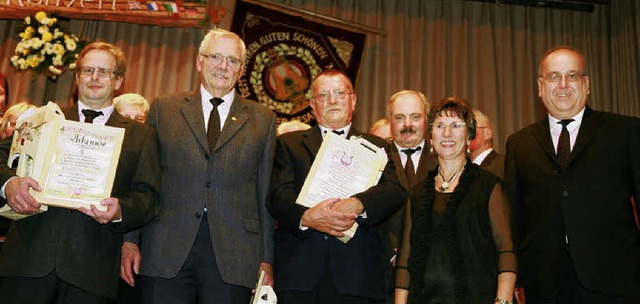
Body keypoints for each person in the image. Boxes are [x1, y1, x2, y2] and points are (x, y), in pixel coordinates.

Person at [120, 28, 277, 304]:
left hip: (234, 253)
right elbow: (144, 181)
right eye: (215, 56)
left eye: (232, 61)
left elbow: (264, 193)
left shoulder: (263, 119)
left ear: (241, 70)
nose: (222, 66)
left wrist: (266, 258)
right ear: (199, 61)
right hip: (166, 246)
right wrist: (130, 240)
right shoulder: (164, 108)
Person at [0, 41, 161, 303]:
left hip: (91, 272)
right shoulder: (44, 119)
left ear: (118, 81)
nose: (95, 78)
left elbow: (149, 196)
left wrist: (120, 210)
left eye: (104, 72)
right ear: (77, 78)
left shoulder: (140, 136)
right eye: (88, 71)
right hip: (28, 263)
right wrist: (10, 184)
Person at [504, 46, 640, 303]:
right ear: (540, 86)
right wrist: (516, 275)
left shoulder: (626, 132)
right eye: (554, 76)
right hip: (544, 285)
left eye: (573, 76)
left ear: (586, 84)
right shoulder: (519, 143)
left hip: (616, 281)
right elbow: (514, 217)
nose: (563, 84)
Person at [268, 69, 407, 304]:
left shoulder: (378, 146)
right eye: (324, 95)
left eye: (340, 93)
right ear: (313, 105)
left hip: (358, 276)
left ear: (353, 100)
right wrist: (308, 217)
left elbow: (394, 189)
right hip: (299, 275)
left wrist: (359, 203)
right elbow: (277, 194)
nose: (333, 100)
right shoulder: (288, 144)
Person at [395, 96, 516, 304]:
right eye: (440, 125)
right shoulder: (416, 193)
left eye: (456, 125)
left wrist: (502, 301)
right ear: (431, 138)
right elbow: (405, 262)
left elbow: (505, 250)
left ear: (469, 137)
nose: (447, 133)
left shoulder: (489, 186)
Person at [469, 109, 504, 178]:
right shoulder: (461, 169)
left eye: (471, 128)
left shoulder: (504, 165)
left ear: (488, 133)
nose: (466, 134)